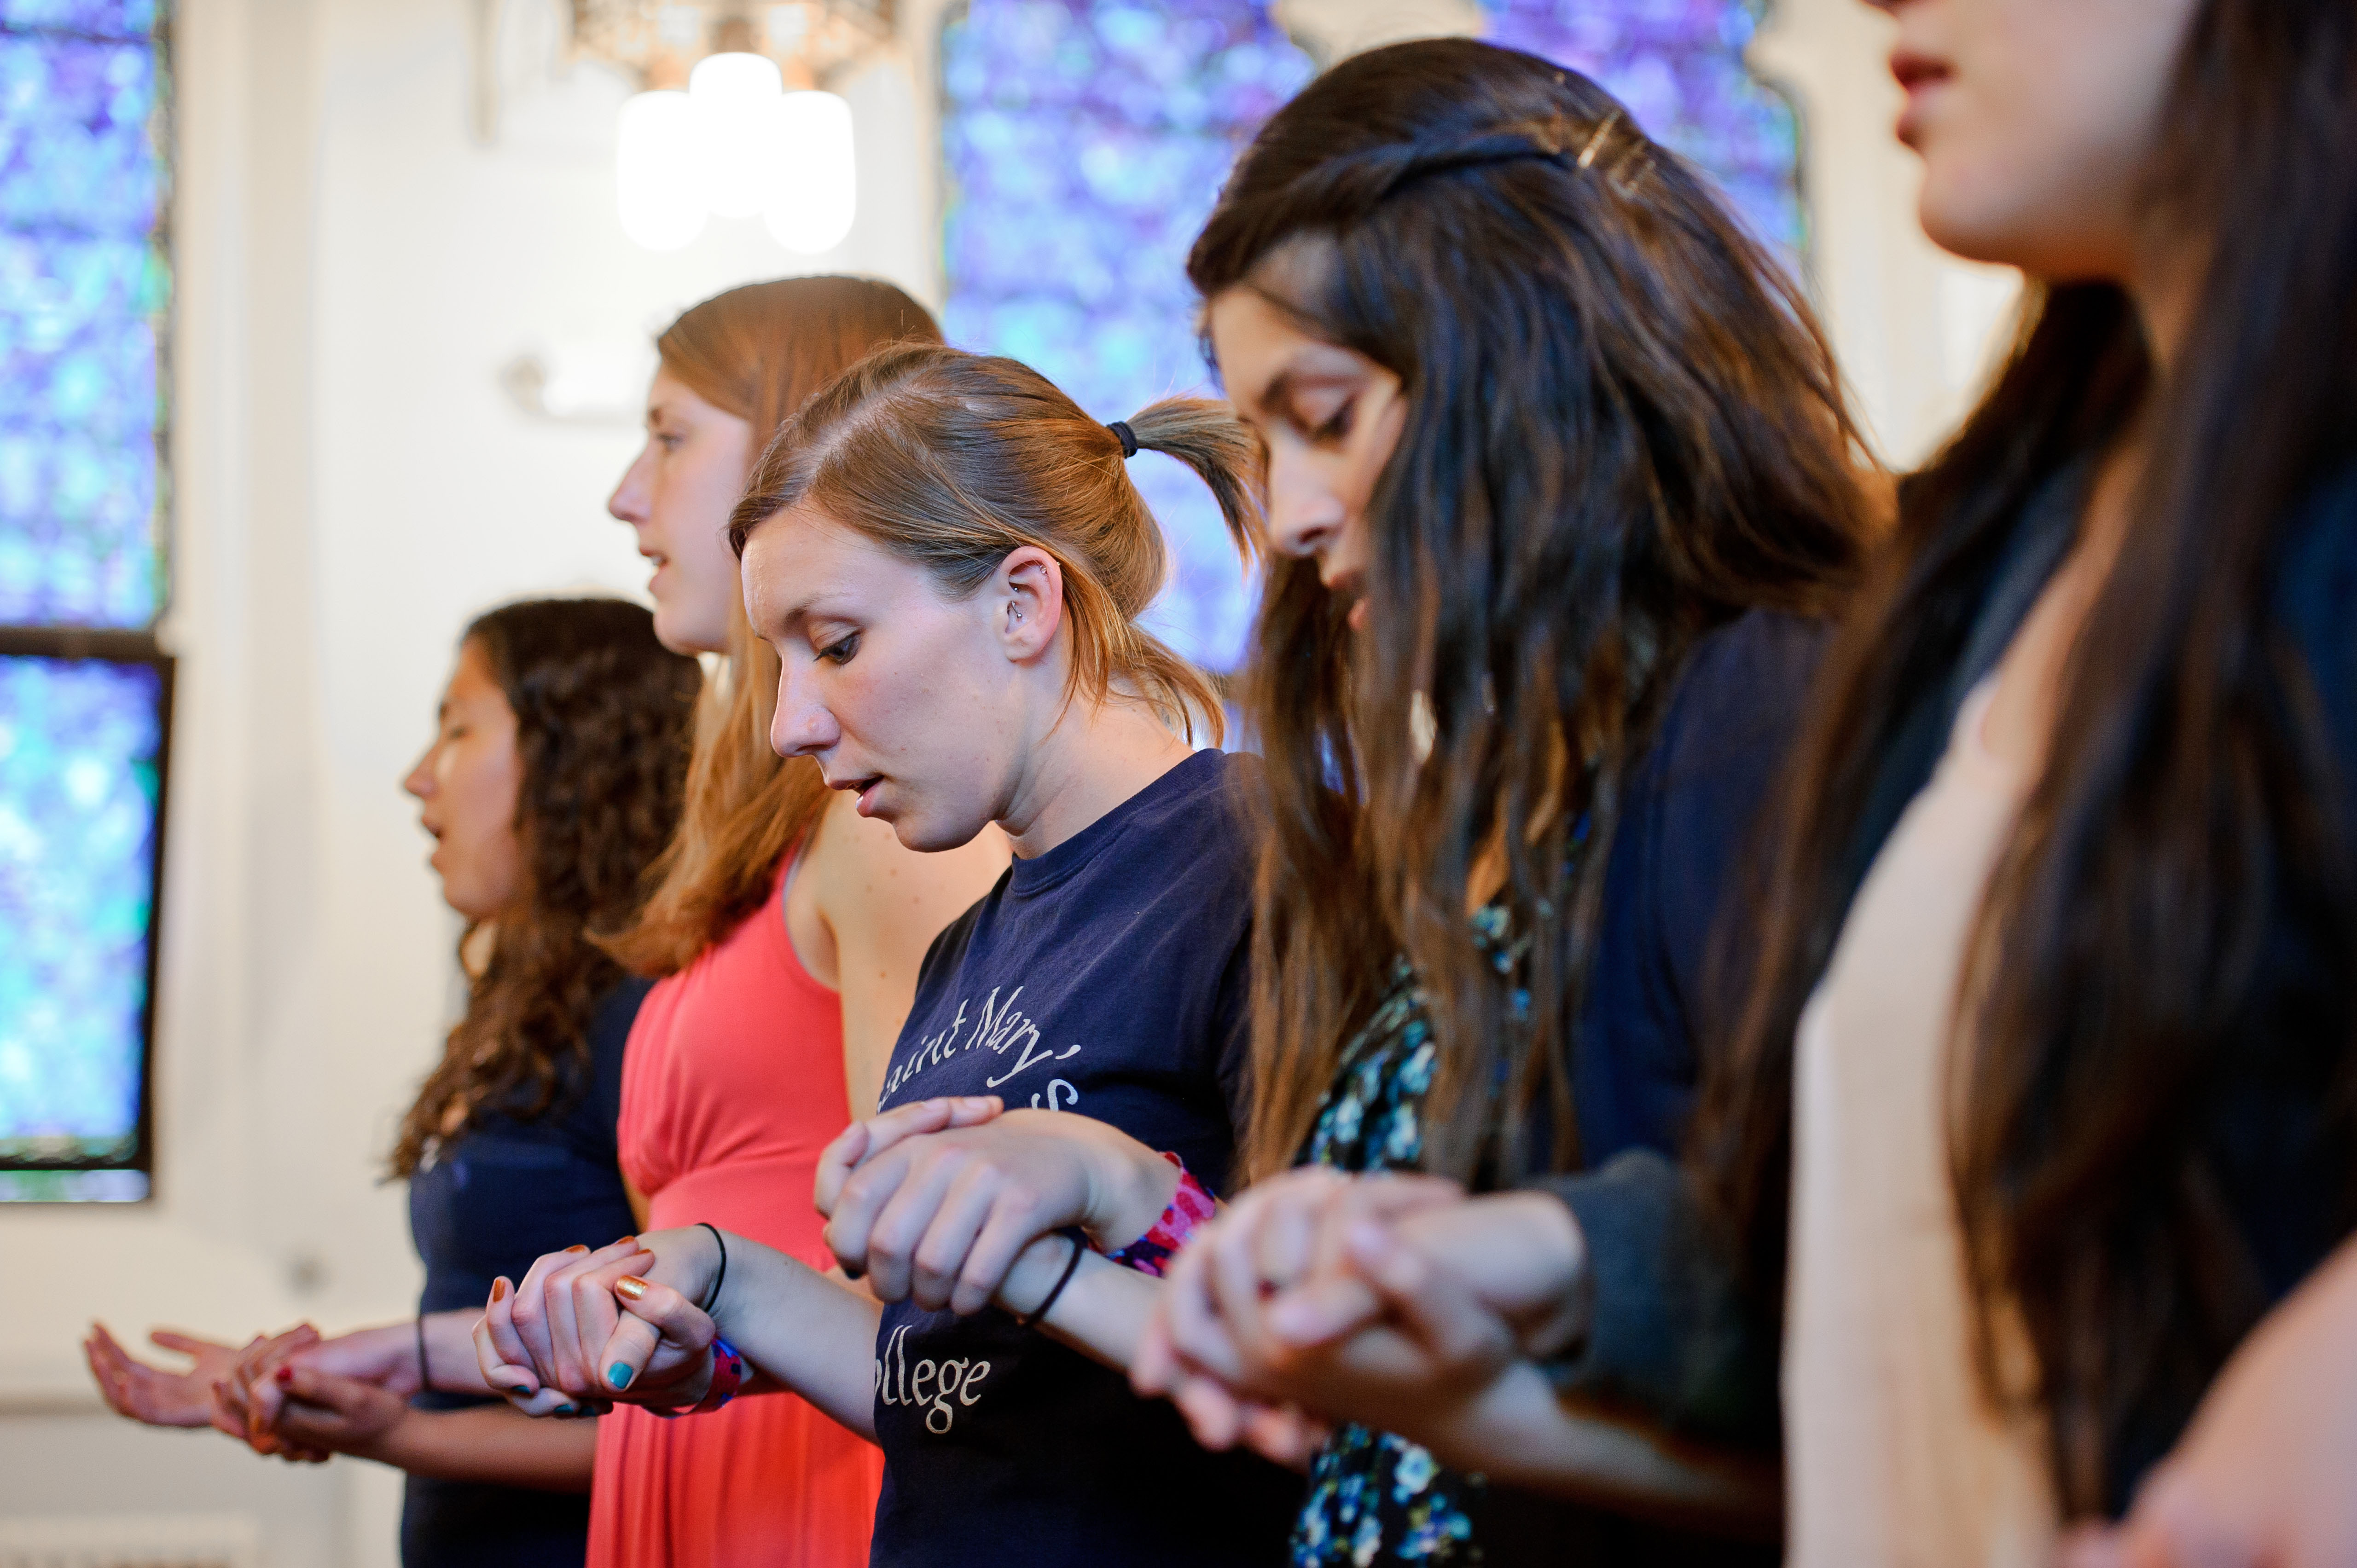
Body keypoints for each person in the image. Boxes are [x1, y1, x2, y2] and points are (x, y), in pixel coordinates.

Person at [1170, 0, 2357, 1561]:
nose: (1298, 517)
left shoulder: (1754, 704)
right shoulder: (2010, 554)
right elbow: (1868, 1281)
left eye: (1326, 417)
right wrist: (1545, 1256)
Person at [475, 341, 1307, 1567]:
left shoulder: (1262, 865)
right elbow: (944, 1392)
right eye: (780, 663)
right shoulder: (973, 938)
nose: (790, 723)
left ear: (1022, 603)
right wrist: (712, 1284)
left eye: (840, 642)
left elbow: (1321, 1362)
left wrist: (1085, 1210)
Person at [86, 597, 701, 1568]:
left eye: (458, 729)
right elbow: (488, 1338)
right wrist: (320, 1382)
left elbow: (696, 1414)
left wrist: (391, 1431)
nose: (421, 778)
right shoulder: (535, 1004)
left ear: (574, 754)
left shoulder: (647, 1017)